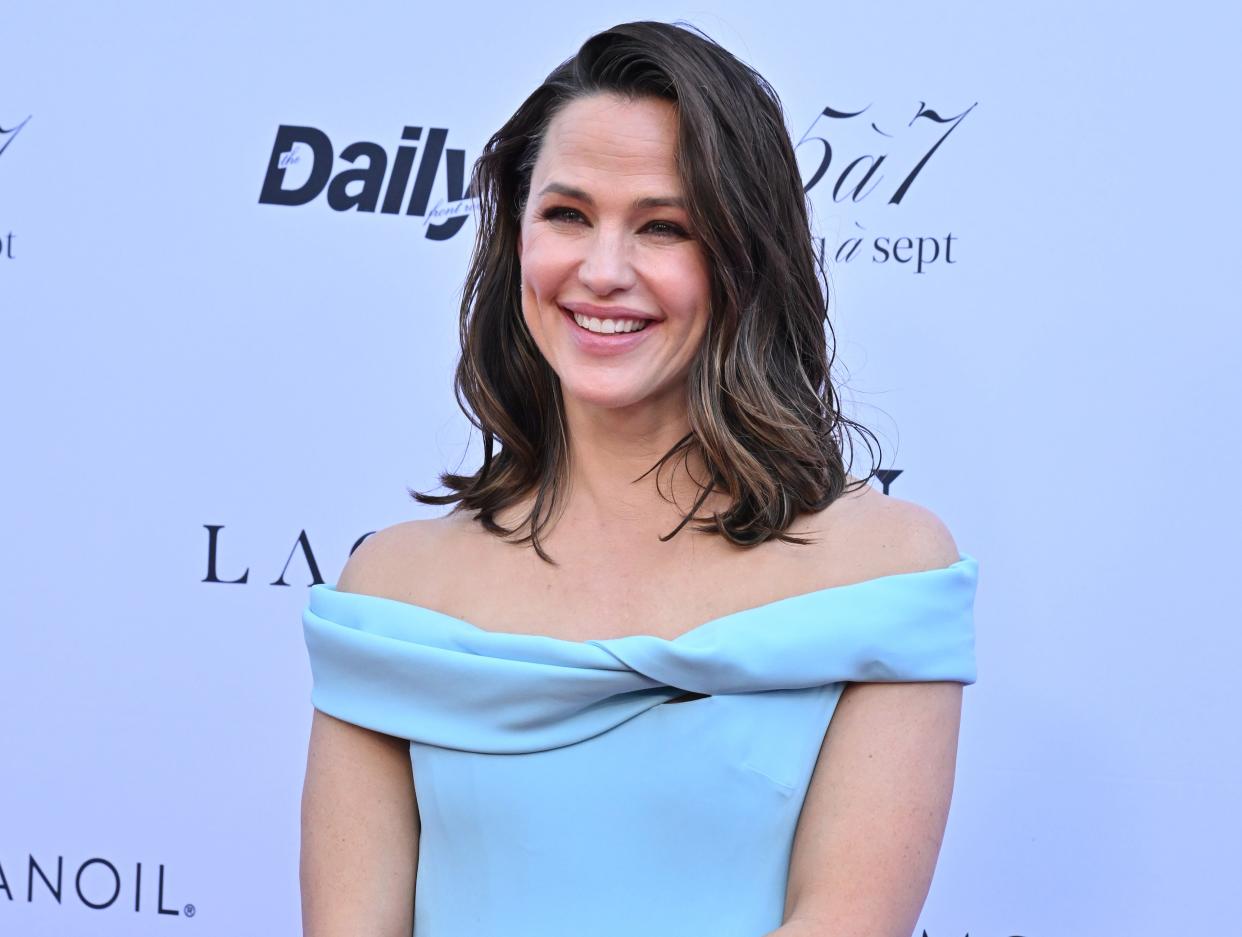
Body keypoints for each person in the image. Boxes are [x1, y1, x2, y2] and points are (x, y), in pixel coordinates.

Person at [300, 19, 978, 937]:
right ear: (516, 239)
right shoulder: (394, 588)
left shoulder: (886, 575)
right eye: (567, 215)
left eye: (663, 227)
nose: (603, 270)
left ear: (743, 257)